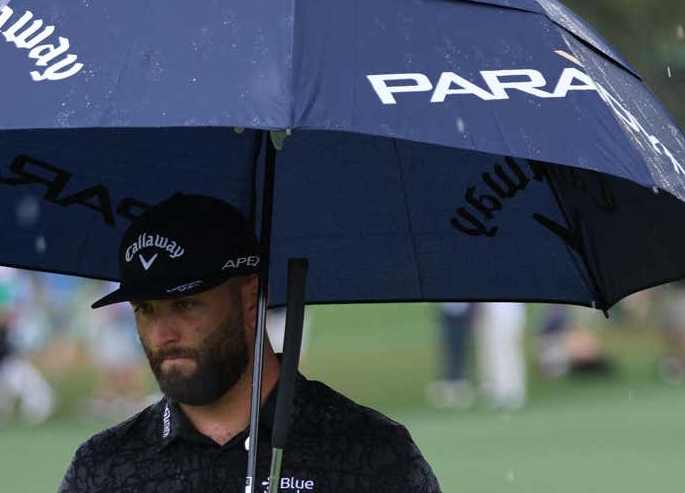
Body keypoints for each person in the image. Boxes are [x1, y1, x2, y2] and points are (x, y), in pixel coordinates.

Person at [58, 194, 441, 493]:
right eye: (145, 309)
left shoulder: (372, 454)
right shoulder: (104, 468)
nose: (162, 334)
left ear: (250, 298)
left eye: (185, 304)